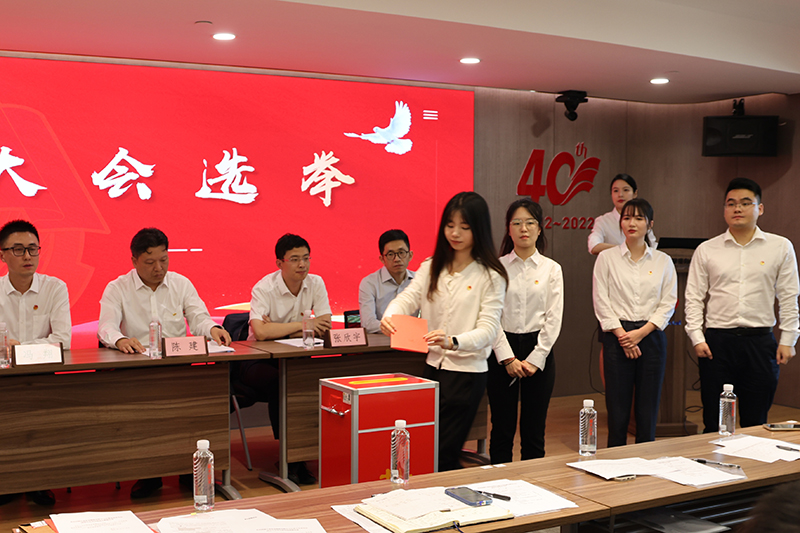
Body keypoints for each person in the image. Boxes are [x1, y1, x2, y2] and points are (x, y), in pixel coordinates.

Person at [97, 227, 232, 498]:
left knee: (198, 404)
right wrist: (120, 339)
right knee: (146, 411)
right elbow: (106, 327)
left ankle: (191, 472)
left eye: (164, 260)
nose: (158, 268)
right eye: (150, 262)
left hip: (178, 367)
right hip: (138, 369)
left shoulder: (181, 284)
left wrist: (212, 328)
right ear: (134, 260)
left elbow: (198, 317)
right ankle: (149, 474)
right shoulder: (117, 288)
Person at [381, 192, 507, 471]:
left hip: (467, 373)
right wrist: (390, 315)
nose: (455, 233)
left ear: (479, 229)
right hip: (432, 367)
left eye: (464, 227)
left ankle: (451, 495)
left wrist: (453, 341)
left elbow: (488, 330)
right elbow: (408, 298)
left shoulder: (490, 275)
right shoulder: (431, 266)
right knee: (426, 447)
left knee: (444, 453)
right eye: (450, 225)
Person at [685, 177, 800, 433]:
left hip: (760, 342)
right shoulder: (707, 249)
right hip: (717, 344)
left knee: (755, 421)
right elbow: (693, 297)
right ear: (724, 209)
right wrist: (696, 336)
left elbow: (789, 295)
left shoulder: (780, 247)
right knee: (714, 421)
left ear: (760, 208)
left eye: (746, 203)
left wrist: (788, 339)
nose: (737, 208)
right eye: (731, 203)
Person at [247, 233, 332, 485]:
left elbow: (325, 326)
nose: (302, 265)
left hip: (299, 358)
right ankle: (290, 458)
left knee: (316, 380)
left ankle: (304, 453)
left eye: (306, 258)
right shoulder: (264, 288)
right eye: (294, 259)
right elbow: (261, 333)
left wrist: (281, 328)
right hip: (260, 359)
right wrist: (304, 326)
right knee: (283, 383)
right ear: (279, 263)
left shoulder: (316, 283)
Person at [592, 198, 677, 446]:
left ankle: (645, 458)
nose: (632, 223)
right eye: (627, 217)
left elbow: (668, 302)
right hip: (617, 337)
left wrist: (640, 334)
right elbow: (601, 300)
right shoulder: (607, 258)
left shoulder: (663, 260)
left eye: (639, 218)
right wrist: (623, 336)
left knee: (647, 408)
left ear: (650, 224)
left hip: (651, 336)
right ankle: (615, 460)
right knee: (617, 408)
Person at [0, 219, 70, 507]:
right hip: (3, 378)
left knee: (43, 428)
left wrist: (19, 348)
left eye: (32, 248)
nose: (27, 256)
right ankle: (8, 483)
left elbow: (63, 340)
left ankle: (40, 483)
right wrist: (31, 348)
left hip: (44, 375)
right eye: (18, 249)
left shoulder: (55, 288)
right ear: (2, 255)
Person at [489, 199, 563, 462]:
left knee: (534, 430)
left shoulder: (551, 269)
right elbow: (490, 316)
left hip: (538, 348)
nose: (524, 228)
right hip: (502, 349)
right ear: (508, 229)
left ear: (539, 228)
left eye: (530, 222)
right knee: (502, 428)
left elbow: (554, 318)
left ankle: (533, 483)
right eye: (517, 223)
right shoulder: (496, 268)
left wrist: (536, 358)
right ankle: (498, 481)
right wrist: (507, 358)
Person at [358, 229, 415, 333]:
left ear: (410, 255)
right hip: (381, 341)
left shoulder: (418, 281)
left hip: (413, 340)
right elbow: (368, 323)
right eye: (390, 254)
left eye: (401, 253)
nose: (397, 259)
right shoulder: (369, 283)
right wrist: (397, 329)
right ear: (382, 259)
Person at [588, 173, 656, 255]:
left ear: (635, 193)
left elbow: (653, 246)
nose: (620, 195)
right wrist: (625, 249)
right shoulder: (603, 221)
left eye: (626, 190)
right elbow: (594, 246)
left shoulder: (642, 220)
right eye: (616, 191)